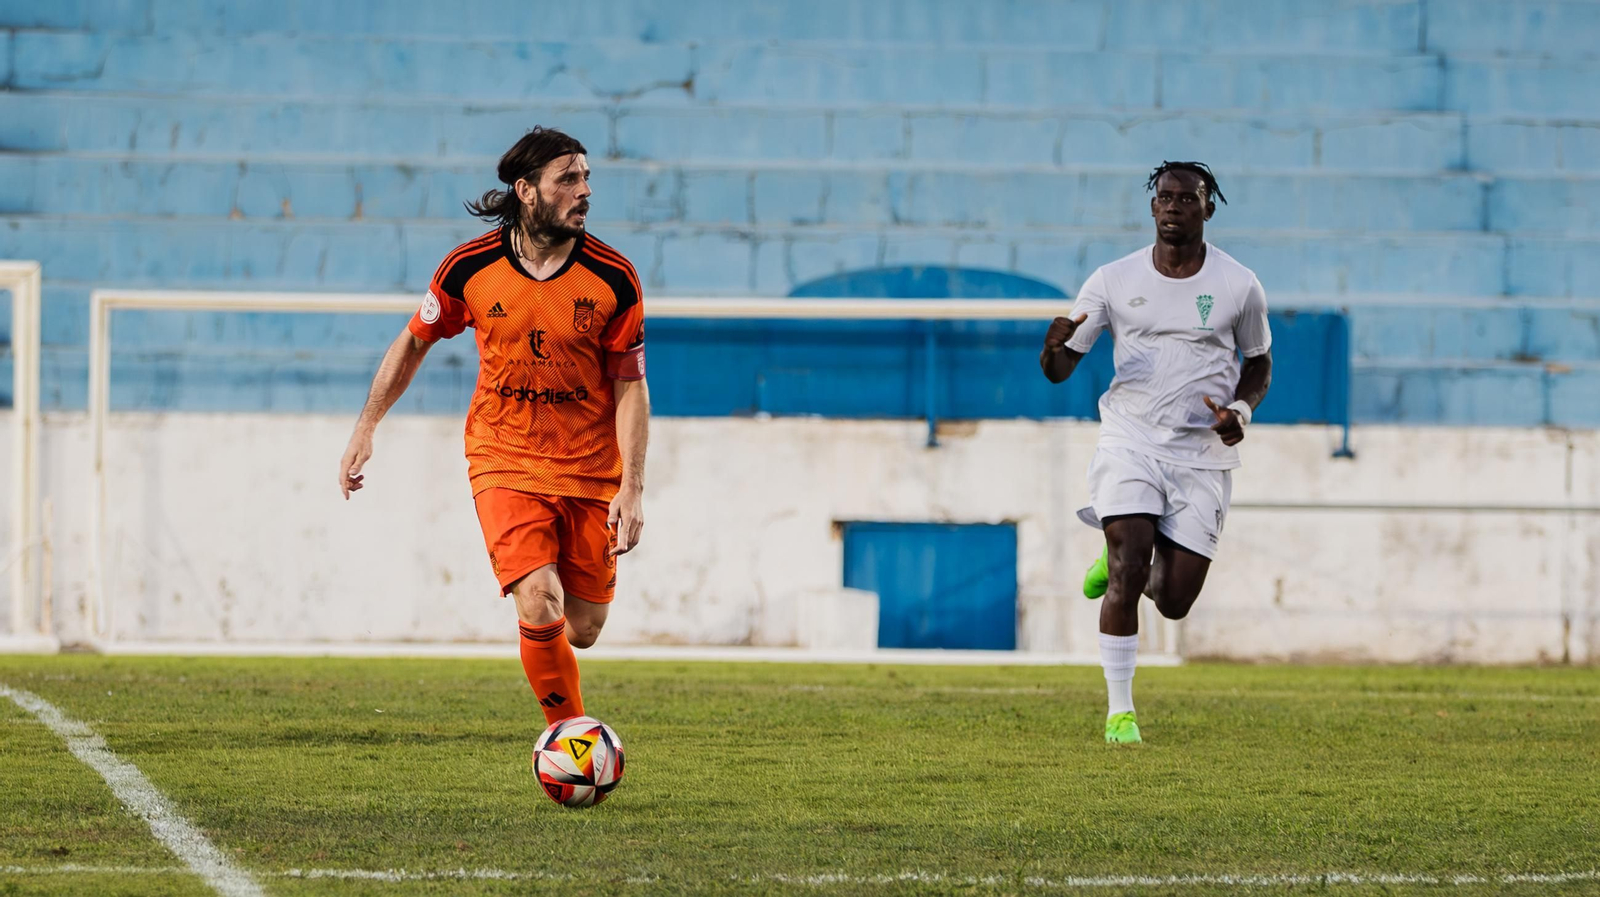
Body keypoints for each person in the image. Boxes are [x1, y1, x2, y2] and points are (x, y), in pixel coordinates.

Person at [338, 127, 648, 728]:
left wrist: (633, 485)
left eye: (586, 177)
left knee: (582, 628)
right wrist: (366, 425)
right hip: (503, 456)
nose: (584, 191)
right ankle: (570, 739)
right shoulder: (469, 267)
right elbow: (413, 341)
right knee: (538, 598)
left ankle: (564, 705)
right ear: (526, 190)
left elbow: (631, 387)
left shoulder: (614, 279)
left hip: (589, 464)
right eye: (568, 179)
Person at [1040, 161, 1272, 745]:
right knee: (1128, 561)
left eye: (1186, 199)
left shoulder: (1239, 283)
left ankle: (1129, 562)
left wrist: (1240, 413)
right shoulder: (1112, 280)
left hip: (1200, 454)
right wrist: (1053, 349)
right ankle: (1121, 712)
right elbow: (1062, 368)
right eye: (1164, 198)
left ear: (1207, 208)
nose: (1173, 207)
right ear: (1152, 208)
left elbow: (1260, 362)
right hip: (1131, 438)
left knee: (1172, 600)